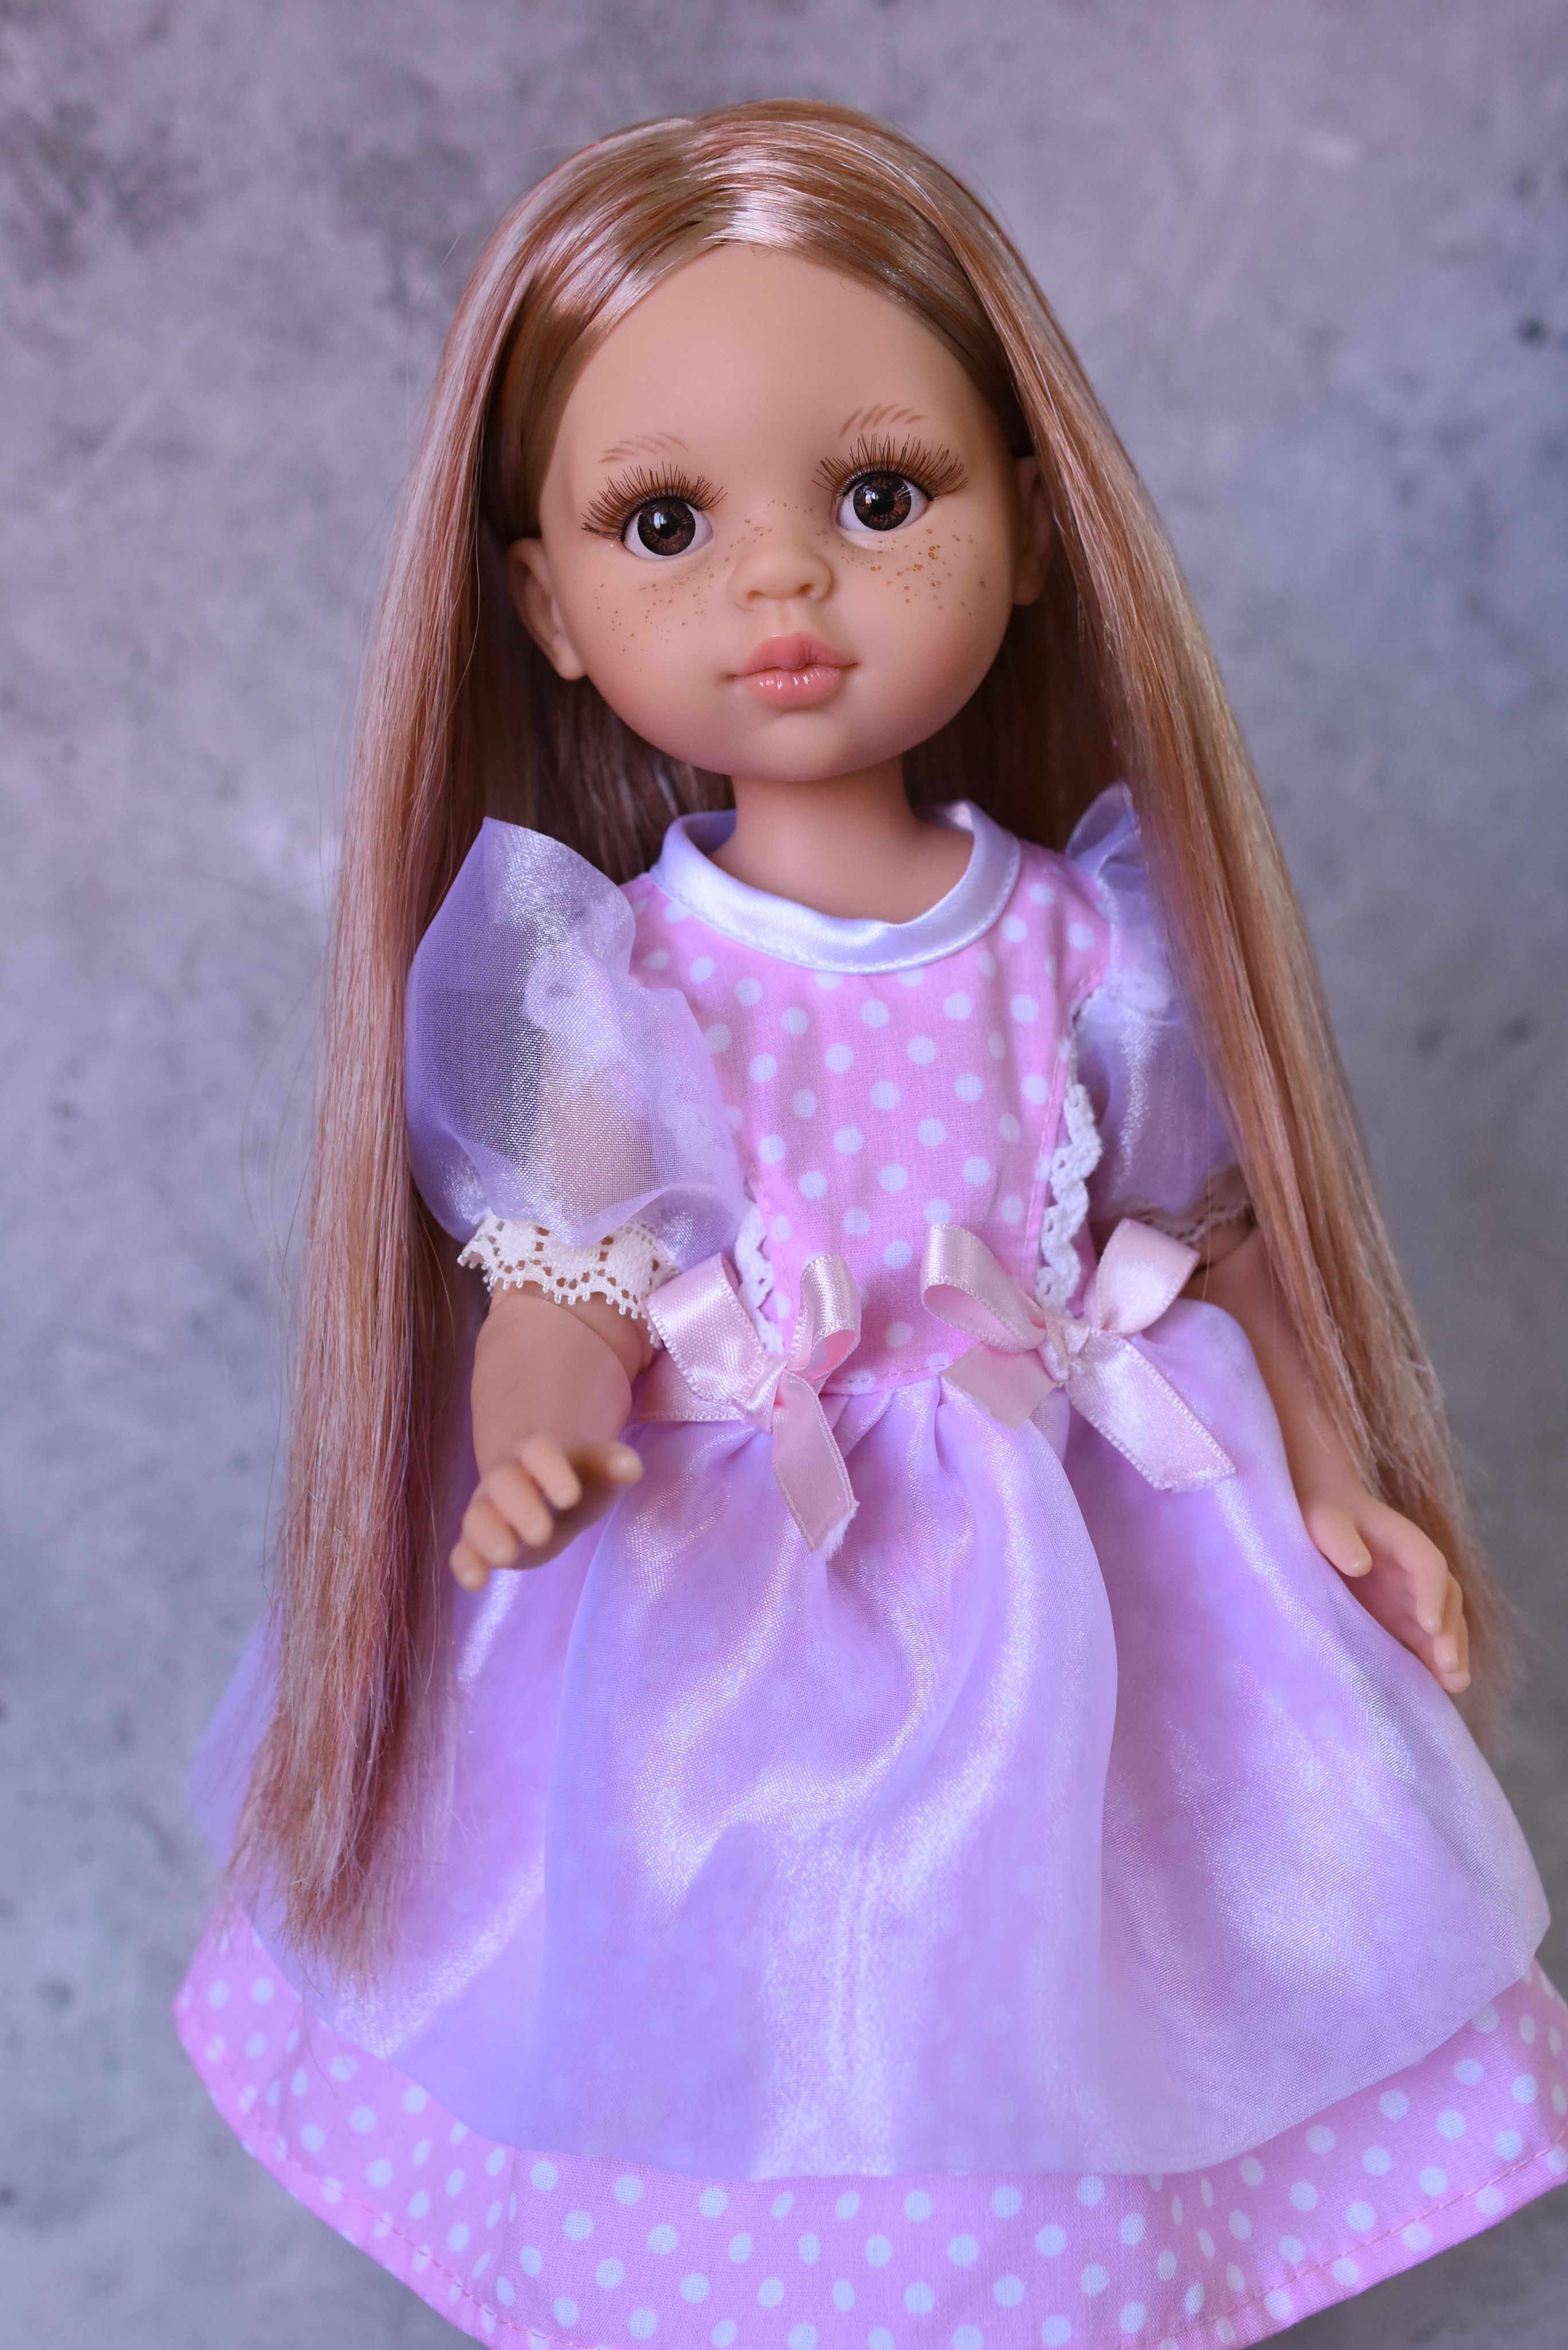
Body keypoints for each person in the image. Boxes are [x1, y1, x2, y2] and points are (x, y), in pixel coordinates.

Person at [177, 103, 1564, 2348]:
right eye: (664, 524)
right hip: (717, 1604)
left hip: (1074, 1591)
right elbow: (557, 1274)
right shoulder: (596, 972)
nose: (783, 587)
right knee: (737, 2020)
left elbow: (1199, 1234)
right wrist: (540, 1431)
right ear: (544, 605)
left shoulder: (1098, 936)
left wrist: (1335, 1477)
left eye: (882, 496)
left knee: (1058, 2008)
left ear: (1030, 522)